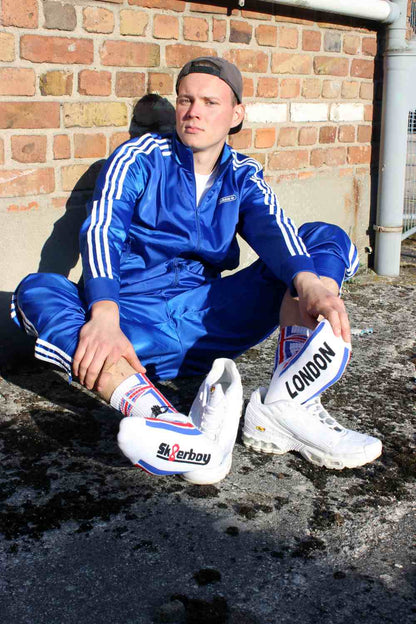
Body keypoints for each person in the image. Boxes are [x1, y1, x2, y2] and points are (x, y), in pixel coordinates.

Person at [11, 56, 382, 484]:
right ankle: (168, 422)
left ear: (236, 115)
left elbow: (275, 228)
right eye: (186, 100)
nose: (194, 112)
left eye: (210, 101)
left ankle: (288, 401)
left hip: (209, 320)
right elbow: (101, 229)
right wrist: (105, 315)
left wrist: (311, 285)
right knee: (35, 290)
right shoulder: (139, 157)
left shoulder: (243, 175)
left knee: (321, 239)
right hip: (133, 329)